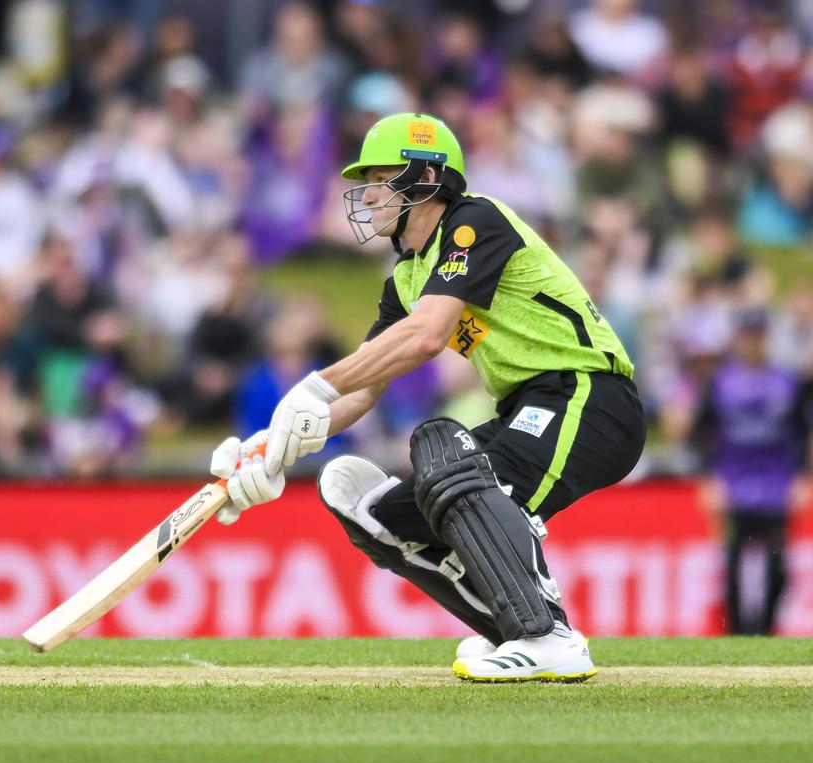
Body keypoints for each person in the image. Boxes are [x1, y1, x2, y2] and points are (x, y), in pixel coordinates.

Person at [211, 113, 646, 682]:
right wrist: (270, 448)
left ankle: (547, 637)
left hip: (589, 395)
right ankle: (516, 631)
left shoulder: (475, 221)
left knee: (444, 452)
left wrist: (316, 386)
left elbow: (426, 336)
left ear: (425, 178)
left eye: (379, 176)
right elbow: (365, 388)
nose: (365, 193)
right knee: (375, 511)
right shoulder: (407, 275)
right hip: (532, 406)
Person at [693, 308, 811, 635]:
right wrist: (709, 478)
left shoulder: (788, 382)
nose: (752, 343)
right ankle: (737, 633)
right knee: (732, 564)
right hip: (733, 482)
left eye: (757, 336)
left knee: (777, 567)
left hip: (776, 483)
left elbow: (801, 433)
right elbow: (703, 433)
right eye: (747, 336)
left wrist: (802, 476)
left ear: (766, 338)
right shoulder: (720, 382)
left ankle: (766, 630)